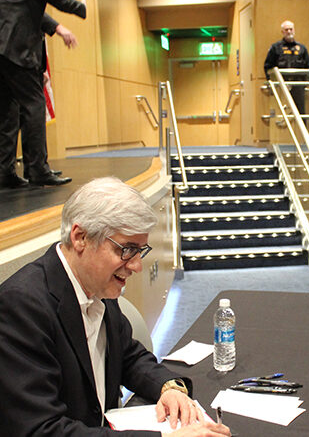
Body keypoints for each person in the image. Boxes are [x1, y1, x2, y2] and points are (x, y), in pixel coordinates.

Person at [0, 177, 231, 436]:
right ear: (80, 238)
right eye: (127, 249)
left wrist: (168, 386)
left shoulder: (98, 286)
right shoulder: (20, 307)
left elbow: (128, 355)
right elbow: (40, 430)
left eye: (139, 251)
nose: (136, 266)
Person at [0, 0, 86, 189]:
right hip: (18, 47)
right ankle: (38, 169)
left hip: (4, 47)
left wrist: (57, 27)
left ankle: (5, 171)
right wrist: (81, 7)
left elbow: (20, 3)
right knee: (34, 105)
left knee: (8, 112)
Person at [264, 20, 309, 116]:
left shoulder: (302, 48)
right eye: (286, 29)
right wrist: (272, 82)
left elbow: (308, 66)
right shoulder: (275, 48)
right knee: (281, 112)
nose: (289, 31)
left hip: (297, 86)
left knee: (300, 113)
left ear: (294, 30)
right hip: (281, 85)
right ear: (282, 32)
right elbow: (268, 66)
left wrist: (304, 83)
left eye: (291, 29)